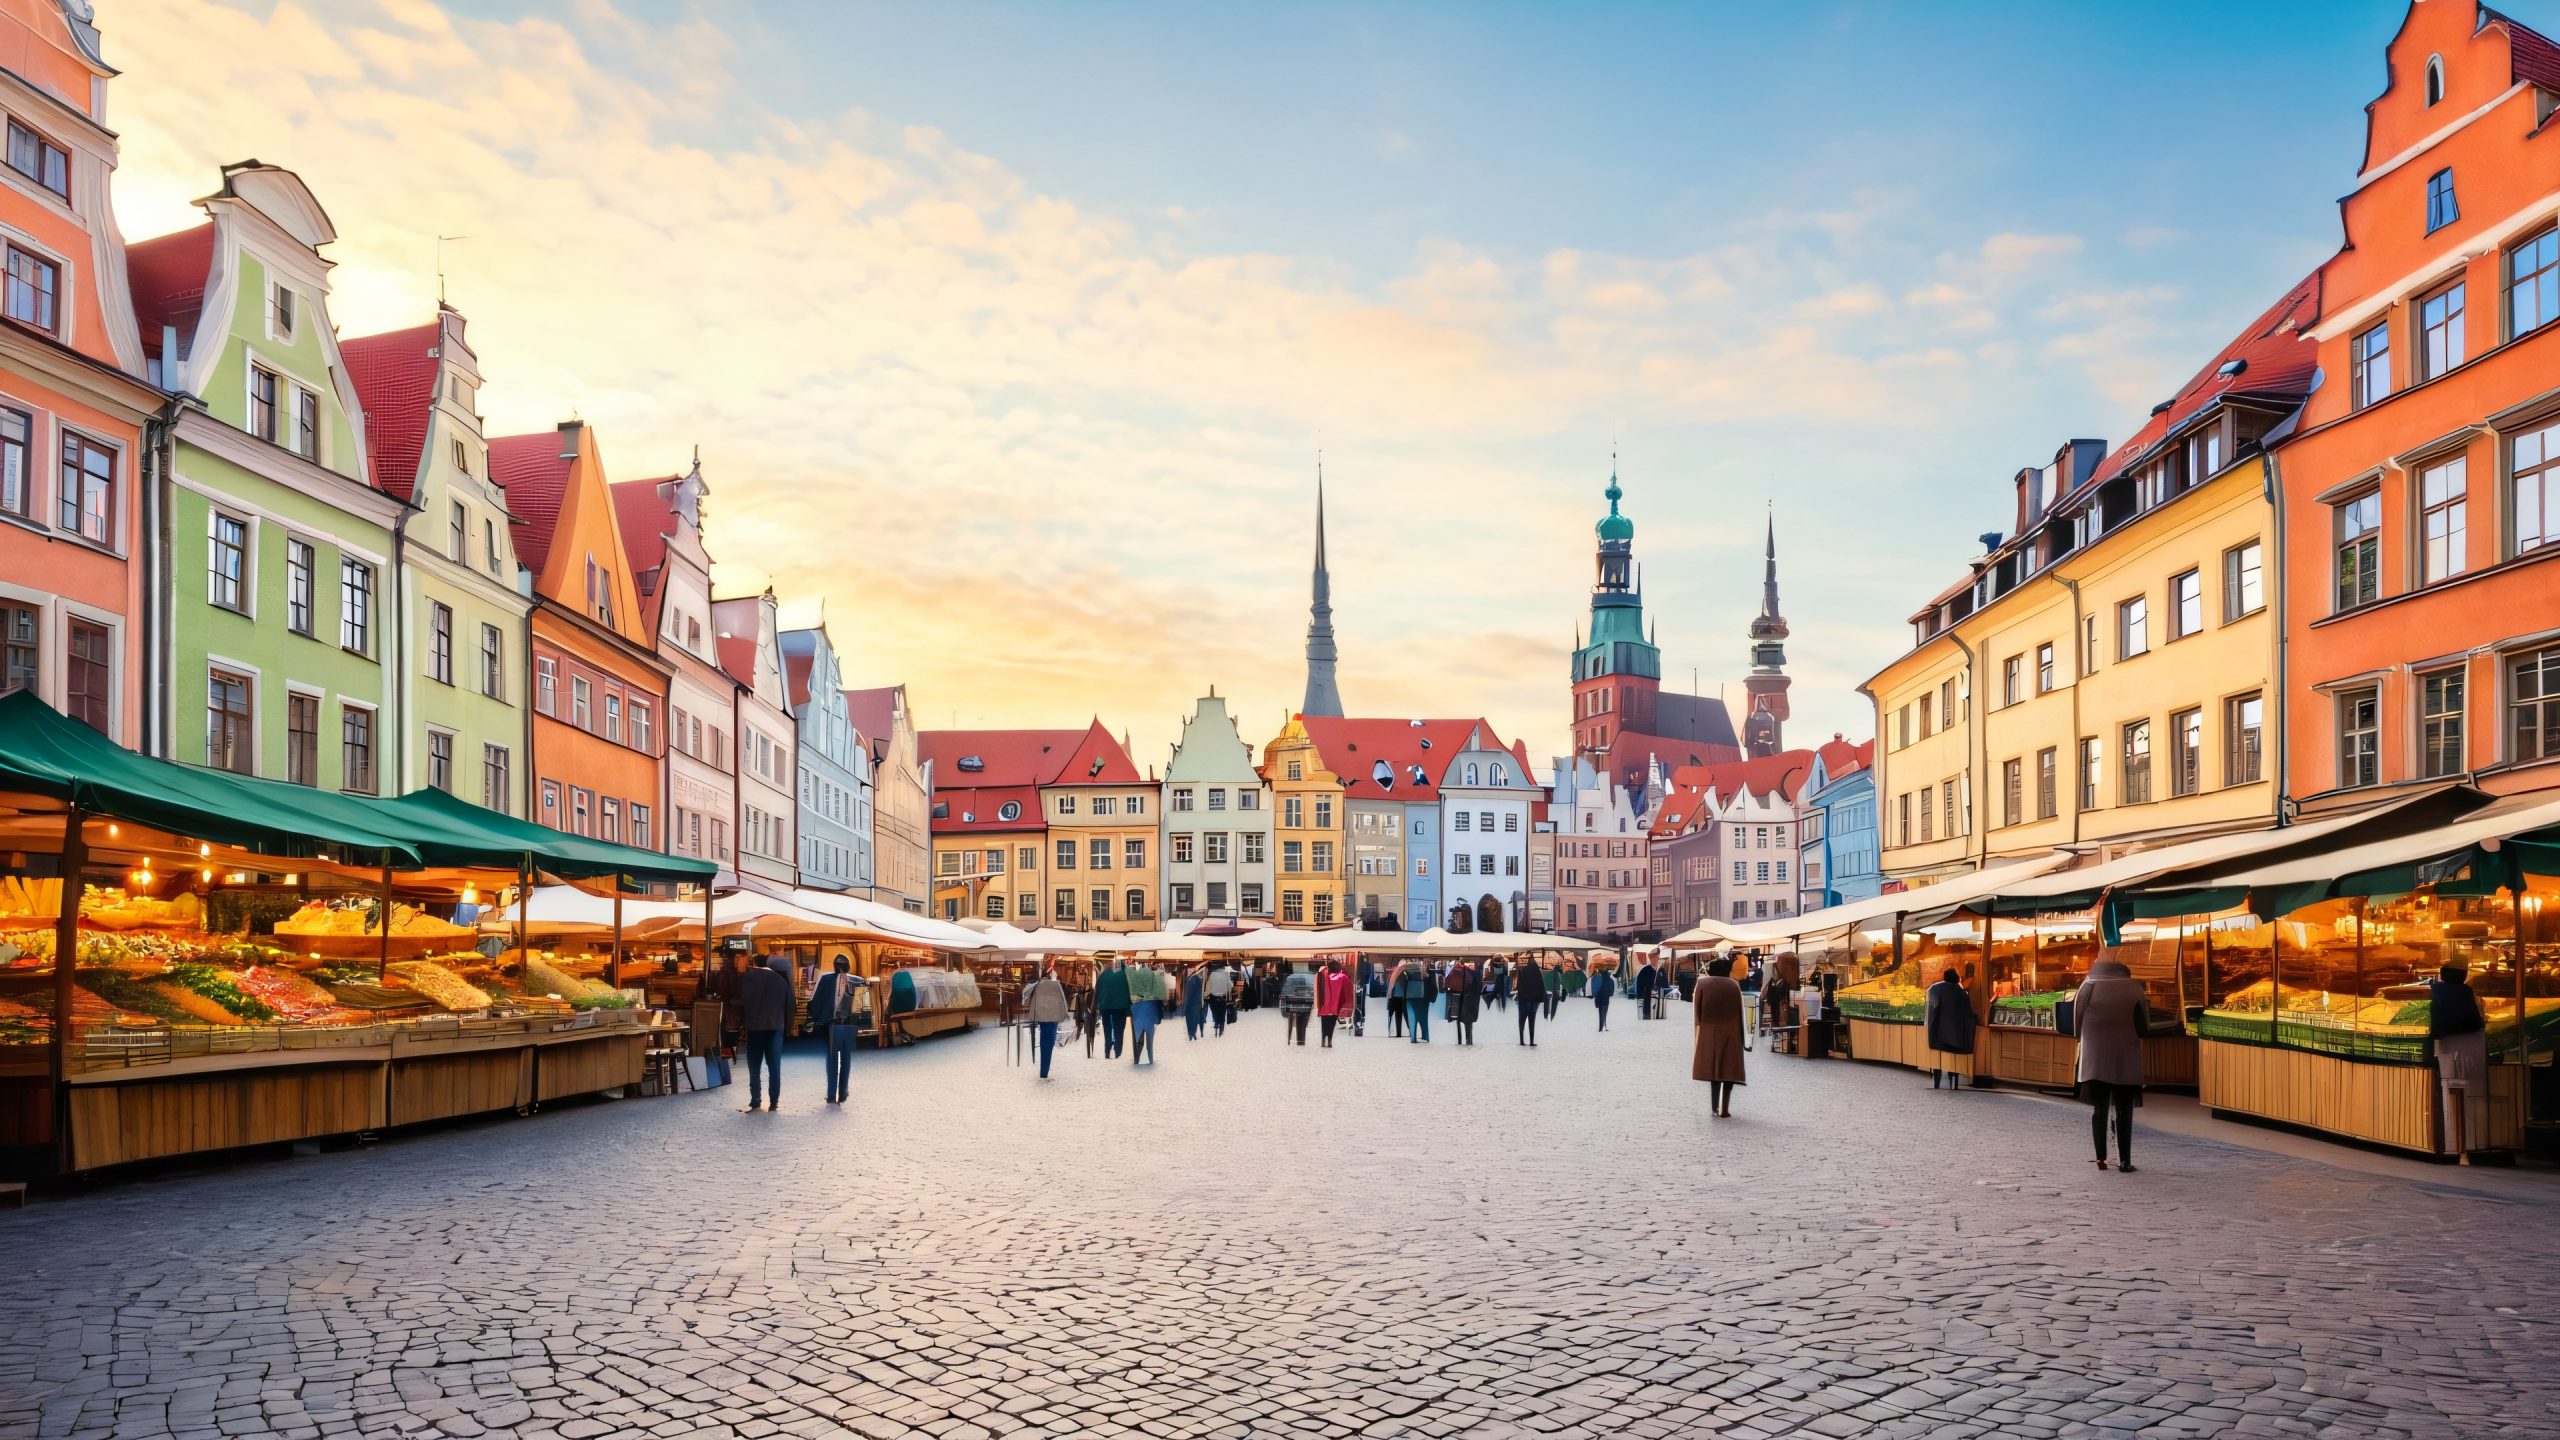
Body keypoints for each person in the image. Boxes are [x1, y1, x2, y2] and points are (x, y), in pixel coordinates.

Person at [2072, 956, 2150, 1173]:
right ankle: (2125, 1161)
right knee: (2124, 1108)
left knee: (2100, 1109)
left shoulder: (2088, 985)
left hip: (2095, 1057)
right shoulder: (2135, 988)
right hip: (2126, 1055)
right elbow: (2144, 1026)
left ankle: (2101, 1160)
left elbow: (2075, 1022)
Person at [2427, 961, 2489, 1162]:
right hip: (2472, 1043)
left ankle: (2454, 1139)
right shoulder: (2465, 992)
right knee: (2472, 1088)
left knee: (2449, 1086)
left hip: (2448, 1043)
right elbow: (2475, 1020)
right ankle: (2471, 1138)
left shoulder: (2439, 991)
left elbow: (2436, 1021)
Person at [1692, 955, 1747, 1117]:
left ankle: (1714, 1107)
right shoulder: (1734, 986)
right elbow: (1740, 1011)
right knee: (1729, 1071)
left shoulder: (1702, 984)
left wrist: (1701, 1026)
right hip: (1731, 1032)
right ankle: (1725, 1109)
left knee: (1713, 1072)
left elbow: (1697, 1011)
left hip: (1709, 1031)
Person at [738, 954, 792, 1112]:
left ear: (754, 963)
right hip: (776, 1028)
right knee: (774, 1067)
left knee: (754, 1067)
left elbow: (742, 1002)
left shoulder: (748, 979)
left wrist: (742, 1024)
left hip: (755, 1029)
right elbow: (789, 1005)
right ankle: (774, 1102)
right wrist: (786, 1028)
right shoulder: (781, 981)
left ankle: (756, 1100)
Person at [809, 954, 863, 1105]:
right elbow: (862, 1005)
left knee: (832, 1060)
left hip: (833, 1025)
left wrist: (816, 1018)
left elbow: (816, 1002)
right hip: (851, 1026)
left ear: (835, 966)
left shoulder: (827, 979)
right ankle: (843, 1092)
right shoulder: (857, 981)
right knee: (846, 1060)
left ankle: (832, 1094)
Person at [1923, 967, 1977, 1090]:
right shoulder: (1962, 992)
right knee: (1954, 1059)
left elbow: (1932, 1010)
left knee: (1937, 1059)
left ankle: (1936, 1082)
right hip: (1956, 1034)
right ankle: (1953, 1082)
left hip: (1938, 1033)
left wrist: (1929, 1025)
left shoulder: (1935, 989)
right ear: (1956, 979)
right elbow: (1967, 1012)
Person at [703, 951, 745, 1087]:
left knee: (727, 1038)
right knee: (728, 1038)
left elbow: (723, 990)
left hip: (730, 1011)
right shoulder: (736, 975)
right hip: (731, 1012)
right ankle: (727, 1061)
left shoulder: (729, 975)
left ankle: (727, 1061)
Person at [1022, 964, 1069, 1080]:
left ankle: (1043, 1071)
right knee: (1049, 1044)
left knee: (1044, 1042)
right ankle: (1044, 1071)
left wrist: (1033, 1014)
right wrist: (1065, 1015)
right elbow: (1063, 1001)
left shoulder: (1038, 985)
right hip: (1053, 1018)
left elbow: (1027, 996)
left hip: (1042, 1017)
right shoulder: (1056, 985)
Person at [1127, 961, 1165, 1065]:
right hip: (1148, 1016)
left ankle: (1137, 1059)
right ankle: (1149, 1059)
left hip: (1138, 1015)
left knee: (1139, 1039)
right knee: (1148, 1041)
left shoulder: (1134, 987)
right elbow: (1158, 1000)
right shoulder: (1153, 985)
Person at [1095, 958, 1132, 1060]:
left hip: (1105, 1006)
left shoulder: (1103, 974)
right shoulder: (1125, 973)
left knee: (1107, 1029)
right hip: (1120, 1006)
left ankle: (1107, 1051)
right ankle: (1118, 1053)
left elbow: (1097, 990)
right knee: (1119, 1030)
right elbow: (1131, 990)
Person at [1390, 958, 1434, 1043]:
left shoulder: (1405, 974)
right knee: (1418, 1019)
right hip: (1413, 998)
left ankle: (1413, 1035)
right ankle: (1420, 1035)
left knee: (1409, 1017)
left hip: (1409, 998)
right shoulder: (1415, 974)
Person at [1445, 958, 1482, 1046]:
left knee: (1458, 1023)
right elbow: (1477, 987)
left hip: (1456, 1001)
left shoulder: (1452, 972)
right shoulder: (1471, 973)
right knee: (1468, 1025)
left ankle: (1459, 1040)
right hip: (1468, 1002)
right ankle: (1469, 1041)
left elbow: (1447, 987)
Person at [1317, 960, 1354, 1047]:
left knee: (1324, 1023)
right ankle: (1329, 1041)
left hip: (1325, 1007)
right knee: (1332, 1024)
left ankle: (1323, 1040)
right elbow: (1348, 990)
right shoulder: (1343, 977)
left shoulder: (1325, 977)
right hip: (1335, 1007)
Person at [1514, 957, 1547, 1046]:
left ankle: (1521, 1041)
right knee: (1532, 1021)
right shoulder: (1536, 971)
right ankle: (1531, 1042)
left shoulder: (1523, 970)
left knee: (1521, 1020)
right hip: (1533, 1001)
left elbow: (1518, 985)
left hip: (1523, 1000)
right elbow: (1541, 985)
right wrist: (1541, 998)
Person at [1280, 966, 1316, 1045]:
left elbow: (1283, 996)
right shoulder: (1307, 987)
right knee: (1302, 1026)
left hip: (1292, 1007)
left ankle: (1289, 1040)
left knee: (1291, 1024)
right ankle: (1301, 1041)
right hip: (1304, 1008)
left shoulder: (1290, 984)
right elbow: (1311, 997)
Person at [1204, 961, 1234, 1037]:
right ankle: (1221, 1028)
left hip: (1213, 998)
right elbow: (1230, 986)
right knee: (1222, 1014)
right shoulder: (1226, 974)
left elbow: (1208, 988)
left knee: (1215, 1014)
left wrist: (1204, 995)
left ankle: (1216, 1027)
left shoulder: (1211, 975)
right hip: (1223, 998)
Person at [1181, 964, 1208, 1041]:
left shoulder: (1196, 979)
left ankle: (1192, 1033)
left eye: (1191, 969)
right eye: (1189, 969)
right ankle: (1191, 1033)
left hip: (1194, 1003)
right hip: (1191, 1003)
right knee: (1190, 1018)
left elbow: (1195, 993)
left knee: (1193, 1018)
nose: (1189, 970)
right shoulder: (1189, 978)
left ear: (1194, 970)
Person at [1590, 964, 1617, 1032]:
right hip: (1606, 999)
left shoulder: (1597, 978)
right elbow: (1611, 992)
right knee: (1604, 1012)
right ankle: (1603, 1026)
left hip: (1598, 998)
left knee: (1600, 1013)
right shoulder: (1610, 980)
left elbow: (1594, 988)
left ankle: (1601, 1027)